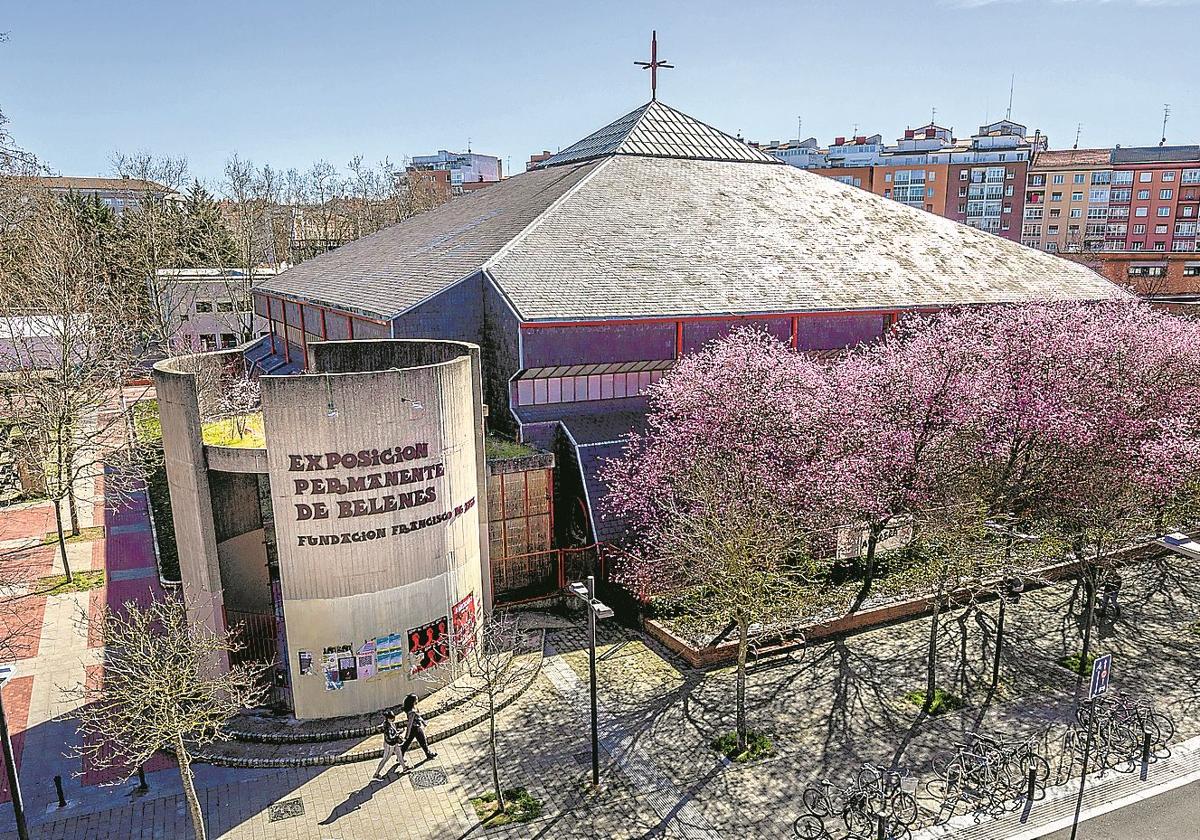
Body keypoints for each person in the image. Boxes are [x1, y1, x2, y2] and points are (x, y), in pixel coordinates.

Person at [401, 693, 438, 762]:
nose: (417, 700)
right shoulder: (411, 712)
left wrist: (423, 722)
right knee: (417, 742)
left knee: (419, 742)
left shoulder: (414, 708)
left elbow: (418, 716)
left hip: (417, 727)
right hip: (415, 728)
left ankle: (428, 754)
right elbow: (410, 723)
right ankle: (428, 754)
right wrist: (407, 734)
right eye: (416, 699)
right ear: (413, 701)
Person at [373, 708, 408, 778]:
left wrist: (398, 731)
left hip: (394, 743)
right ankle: (376, 774)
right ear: (388, 718)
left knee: (399, 753)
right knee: (385, 759)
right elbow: (390, 737)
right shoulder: (387, 727)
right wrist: (399, 733)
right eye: (392, 718)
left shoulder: (390, 723)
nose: (393, 720)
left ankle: (404, 768)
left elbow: (394, 731)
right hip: (389, 745)